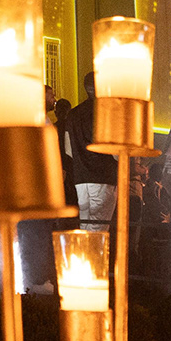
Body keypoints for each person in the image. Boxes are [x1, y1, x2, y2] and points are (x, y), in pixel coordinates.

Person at [64, 73, 117, 230]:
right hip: (103, 176)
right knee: (98, 228)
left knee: (85, 226)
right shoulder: (107, 112)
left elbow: (68, 150)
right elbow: (114, 150)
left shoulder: (73, 114)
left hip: (81, 178)